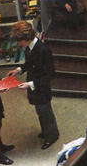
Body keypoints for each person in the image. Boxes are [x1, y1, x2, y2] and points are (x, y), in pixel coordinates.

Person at [7, 21, 59, 150]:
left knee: (46, 112)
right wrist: (19, 70)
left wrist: (30, 84)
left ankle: (52, 136)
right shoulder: (29, 47)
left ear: (26, 38)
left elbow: (50, 75)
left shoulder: (43, 50)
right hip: (34, 86)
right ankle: (46, 131)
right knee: (40, 111)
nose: (18, 44)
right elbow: (29, 64)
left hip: (41, 87)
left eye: (19, 41)